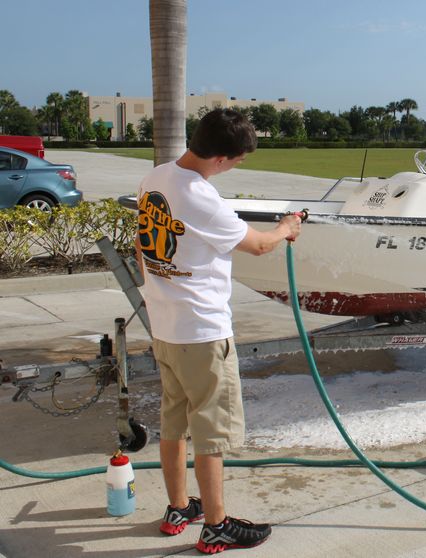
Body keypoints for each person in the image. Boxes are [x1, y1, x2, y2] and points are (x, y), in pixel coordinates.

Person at [135, 108, 301, 554]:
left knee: (174, 422)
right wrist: (286, 229)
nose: (239, 165)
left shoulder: (157, 178)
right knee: (210, 431)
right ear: (223, 158)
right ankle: (217, 526)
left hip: (166, 328)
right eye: (240, 159)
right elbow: (257, 245)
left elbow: (140, 242)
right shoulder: (201, 197)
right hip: (203, 333)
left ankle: (177, 509)